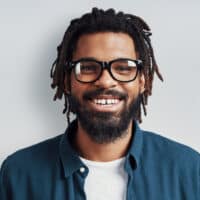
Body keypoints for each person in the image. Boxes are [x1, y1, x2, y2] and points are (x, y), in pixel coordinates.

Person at [0, 7, 199, 200]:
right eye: (87, 68)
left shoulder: (189, 171)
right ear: (67, 81)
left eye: (123, 68)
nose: (105, 81)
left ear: (142, 81)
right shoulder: (18, 175)